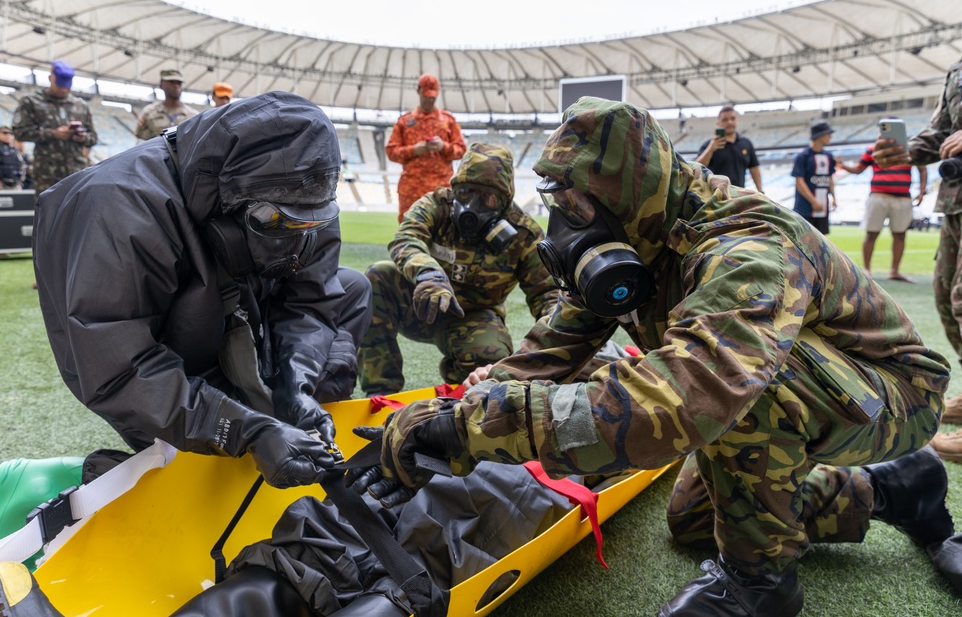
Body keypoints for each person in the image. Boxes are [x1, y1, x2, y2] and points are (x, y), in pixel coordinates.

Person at [349, 97, 960, 616]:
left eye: (580, 206)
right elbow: (551, 346)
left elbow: (685, 400)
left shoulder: (746, 250)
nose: (566, 225)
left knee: (731, 400)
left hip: (891, 393)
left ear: (627, 190)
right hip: (807, 386)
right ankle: (894, 490)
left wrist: (477, 430)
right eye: (559, 204)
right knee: (695, 517)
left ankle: (760, 586)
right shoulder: (634, 236)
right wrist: (462, 412)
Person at [0, 95, 373, 613]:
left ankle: (274, 425)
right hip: (159, 356)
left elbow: (313, 298)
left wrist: (297, 384)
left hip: (236, 317)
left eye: (309, 225)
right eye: (277, 223)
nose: (298, 240)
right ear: (226, 193)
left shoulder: (299, 194)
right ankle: (48, 485)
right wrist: (246, 428)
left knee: (354, 287)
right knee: (198, 462)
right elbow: (119, 367)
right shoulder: (115, 205)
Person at [357, 142, 560, 395]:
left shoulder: (523, 234)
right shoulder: (437, 205)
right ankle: (380, 391)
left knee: (490, 361)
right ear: (455, 190)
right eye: (465, 192)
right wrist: (429, 275)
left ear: (504, 204)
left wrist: (556, 337)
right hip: (422, 303)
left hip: (473, 317)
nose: (472, 205)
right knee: (378, 275)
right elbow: (405, 239)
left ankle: (457, 384)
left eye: (488, 197)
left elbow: (547, 294)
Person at [871, 54, 962, 461]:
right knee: (946, 300)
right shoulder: (958, 67)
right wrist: (904, 151)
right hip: (957, 200)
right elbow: (942, 130)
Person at [841, 136, 927, 282]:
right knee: (871, 233)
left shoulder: (909, 150)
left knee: (900, 235)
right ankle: (867, 269)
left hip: (903, 197)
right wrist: (843, 166)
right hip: (878, 196)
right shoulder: (872, 150)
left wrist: (922, 191)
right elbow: (858, 169)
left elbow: (922, 169)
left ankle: (894, 271)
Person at [385, 74, 466, 222]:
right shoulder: (405, 121)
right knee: (409, 234)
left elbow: (461, 150)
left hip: (440, 190)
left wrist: (444, 147)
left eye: (432, 97)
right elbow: (391, 151)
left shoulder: (448, 121)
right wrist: (414, 150)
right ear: (418, 92)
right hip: (411, 190)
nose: (429, 100)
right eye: (426, 96)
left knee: (442, 234)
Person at [11, 60, 96, 195]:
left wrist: (82, 137)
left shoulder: (81, 106)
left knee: (78, 213)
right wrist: (52, 134)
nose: (63, 89)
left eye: (67, 86)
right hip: (46, 174)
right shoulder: (32, 102)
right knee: (48, 213)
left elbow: (93, 137)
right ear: (50, 78)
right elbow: (19, 132)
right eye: (60, 85)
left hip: (77, 171)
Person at [695, 106, 763, 192]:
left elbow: (754, 168)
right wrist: (711, 149)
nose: (729, 122)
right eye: (725, 120)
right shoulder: (709, 145)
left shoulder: (746, 143)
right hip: (716, 196)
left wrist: (760, 191)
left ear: (737, 120)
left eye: (732, 118)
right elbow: (697, 168)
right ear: (718, 123)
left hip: (739, 195)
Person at [791, 120, 841, 234]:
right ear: (820, 135)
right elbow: (799, 182)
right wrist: (813, 201)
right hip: (805, 208)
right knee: (805, 239)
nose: (830, 136)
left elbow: (829, 178)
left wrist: (833, 197)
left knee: (821, 242)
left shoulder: (828, 156)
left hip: (823, 207)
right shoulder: (803, 156)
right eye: (828, 134)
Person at [135, 69, 199, 141]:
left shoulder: (194, 116)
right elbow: (142, 142)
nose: (176, 86)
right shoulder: (149, 113)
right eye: (171, 82)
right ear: (161, 85)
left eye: (179, 83)